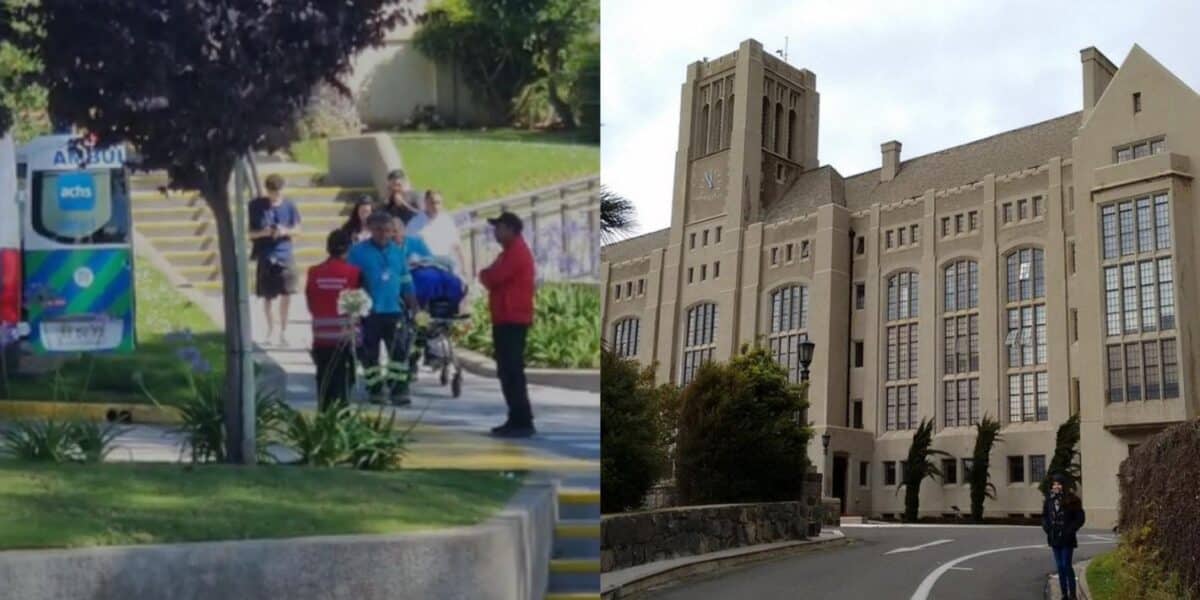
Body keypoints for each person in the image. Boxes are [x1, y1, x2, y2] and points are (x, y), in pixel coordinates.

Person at [348, 212, 418, 406]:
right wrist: (354, 311)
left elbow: (406, 281)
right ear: (370, 229)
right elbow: (351, 283)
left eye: (388, 230)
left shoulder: (398, 252)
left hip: (394, 310)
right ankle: (376, 390)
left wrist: (414, 306)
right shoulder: (357, 252)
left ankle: (399, 390)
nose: (384, 234)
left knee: (399, 353)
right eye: (379, 230)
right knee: (370, 355)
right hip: (369, 313)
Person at [479, 211, 536, 438]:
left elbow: (493, 277)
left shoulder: (516, 253)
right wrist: (486, 274)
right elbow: (489, 276)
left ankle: (522, 420)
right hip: (504, 317)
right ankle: (516, 418)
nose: (495, 232)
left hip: (513, 318)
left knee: (512, 371)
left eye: (499, 227)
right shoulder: (508, 253)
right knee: (507, 371)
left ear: (511, 229)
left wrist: (485, 274)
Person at [305, 230, 361, 411]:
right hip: (344, 337)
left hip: (321, 336)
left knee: (324, 378)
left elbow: (310, 301)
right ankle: (340, 417)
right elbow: (357, 305)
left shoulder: (314, 272)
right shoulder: (353, 273)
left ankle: (323, 416)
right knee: (343, 382)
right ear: (348, 249)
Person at [248, 173, 302, 347]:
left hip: (284, 254)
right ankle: (271, 329)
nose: (275, 196)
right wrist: (264, 232)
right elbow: (250, 233)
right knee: (268, 296)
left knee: (287, 294)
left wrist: (285, 231)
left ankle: (284, 331)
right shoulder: (257, 206)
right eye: (272, 192)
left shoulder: (289, 205)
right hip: (266, 255)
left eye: (278, 192)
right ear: (267, 190)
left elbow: (298, 229)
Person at [1043, 474, 1086, 600]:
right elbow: (1044, 516)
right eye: (1054, 484)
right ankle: (1064, 594)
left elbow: (1080, 518)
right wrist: (1047, 528)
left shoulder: (1072, 499)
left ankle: (1072, 594)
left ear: (1064, 485)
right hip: (1054, 538)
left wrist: (1070, 530)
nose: (1056, 486)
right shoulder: (1049, 500)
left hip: (1067, 539)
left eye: (1059, 484)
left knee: (1066, 565)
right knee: (1060, 567)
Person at [407, 190, 466, 274]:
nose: (436, 206)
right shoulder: (415, 223)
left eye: (438, 203)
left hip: (446, 267)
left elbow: (457, 246)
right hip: (426, 269)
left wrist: (464, 268)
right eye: (432, 203)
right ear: (425, 203)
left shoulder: (447, 221)